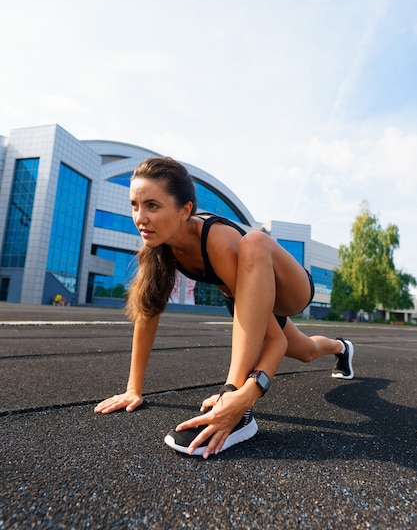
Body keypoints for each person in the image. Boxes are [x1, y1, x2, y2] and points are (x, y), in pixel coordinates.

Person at [94, 157, 354, 459]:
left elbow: (274, 341)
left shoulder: (217, 240)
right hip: (245, 295)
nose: (140, 217)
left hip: (289, 290)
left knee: (255, 242)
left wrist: (242, 396)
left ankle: (234, 404)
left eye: (152, 205)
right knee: (306, 351)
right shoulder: (158, 245)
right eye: (135, 205)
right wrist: (133, 389)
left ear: (185, 209)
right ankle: (341, 348)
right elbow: (147, 314)